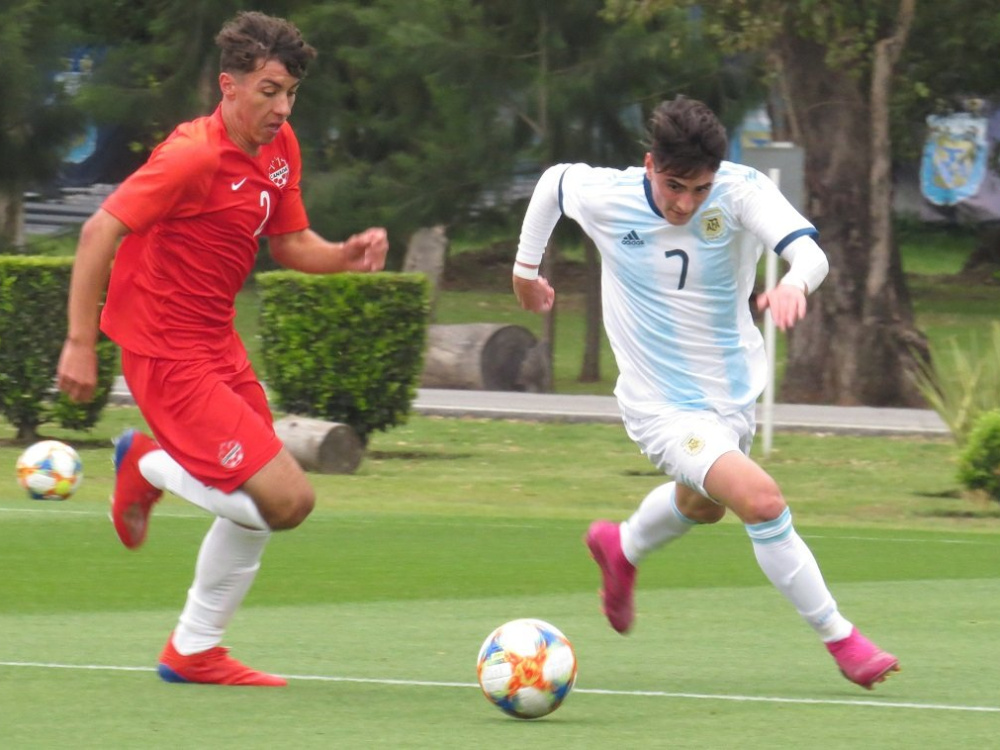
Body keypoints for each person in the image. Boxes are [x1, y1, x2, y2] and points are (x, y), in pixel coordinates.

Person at [512, 96, 900, 690]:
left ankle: (621, 547)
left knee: (704, 505)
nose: (686, 203)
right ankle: (843, 639)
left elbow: (810, 254)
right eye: (674, 187)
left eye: (699, 189)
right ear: (649, 166)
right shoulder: (609, 195)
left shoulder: (741, 191)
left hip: (731, 395)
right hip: (659, 405)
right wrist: (523, 268)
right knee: (762, 501)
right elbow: (553, 183)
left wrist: (795, 282)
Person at [56, 11, 389, 687]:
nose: (281, 106)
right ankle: (147, 464)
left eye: (290, 92)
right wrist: (79, 342)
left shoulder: (281, 146)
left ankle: (193, 650)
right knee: (287, 500)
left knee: (260, 503)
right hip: (164, 354)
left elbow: (292, 243)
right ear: (228, 86)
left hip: (217, 347)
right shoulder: (192, 156)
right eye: (268, 91)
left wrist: (344, 258)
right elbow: (98, 232)